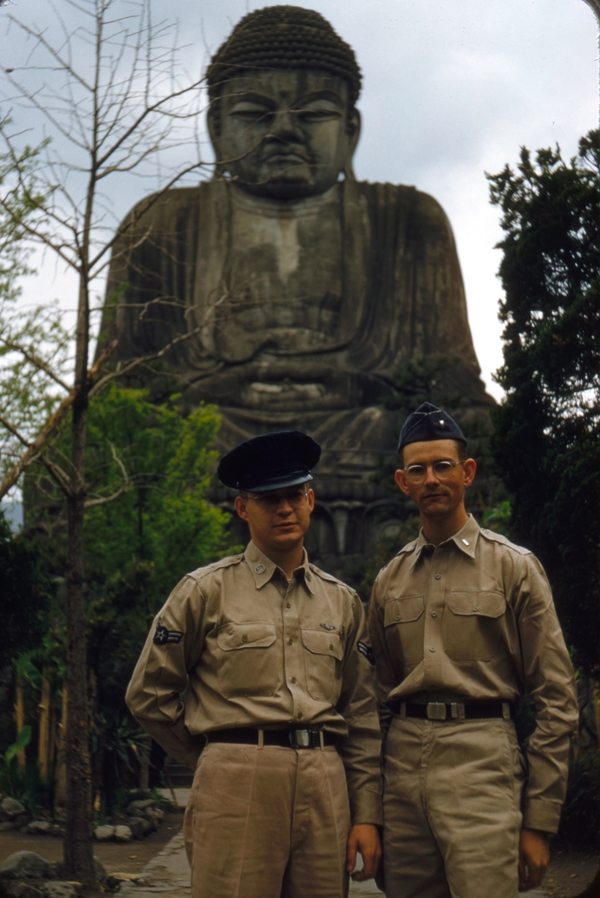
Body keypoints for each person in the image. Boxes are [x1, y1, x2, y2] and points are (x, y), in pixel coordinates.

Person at [99, 6, 493, 558]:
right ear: (216, 126)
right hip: (213, 430)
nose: (284, 129)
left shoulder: (409, 220)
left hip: (359, 430)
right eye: (255, 112)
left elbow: (452, 386)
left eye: (312, 114)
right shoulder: (160, 223)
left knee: (463, 437)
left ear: (350, 128)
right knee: (100, 444)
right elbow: (121, 388)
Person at [126, 430, 382, 898]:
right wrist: (213, 754)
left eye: (292, 496)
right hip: (234, 785)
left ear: (310, 499)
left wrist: (366, 813)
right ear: (243, 508)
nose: (283, 509)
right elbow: (148, 693)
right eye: (268, 499)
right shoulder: (204, 592)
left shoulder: (343, 603)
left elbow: (361, 716)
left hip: (324, 782)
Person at [367, 402, 578, 898]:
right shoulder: (389, 581)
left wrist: (539, 820)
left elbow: (557, 700)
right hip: (403, 775)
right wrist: (370, 810)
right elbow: (373, 704)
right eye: (418, 470)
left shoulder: (514, 568)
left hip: (483, 762)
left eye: (443, 466)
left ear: (467, 472)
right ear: (403, 482)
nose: (432, 479)